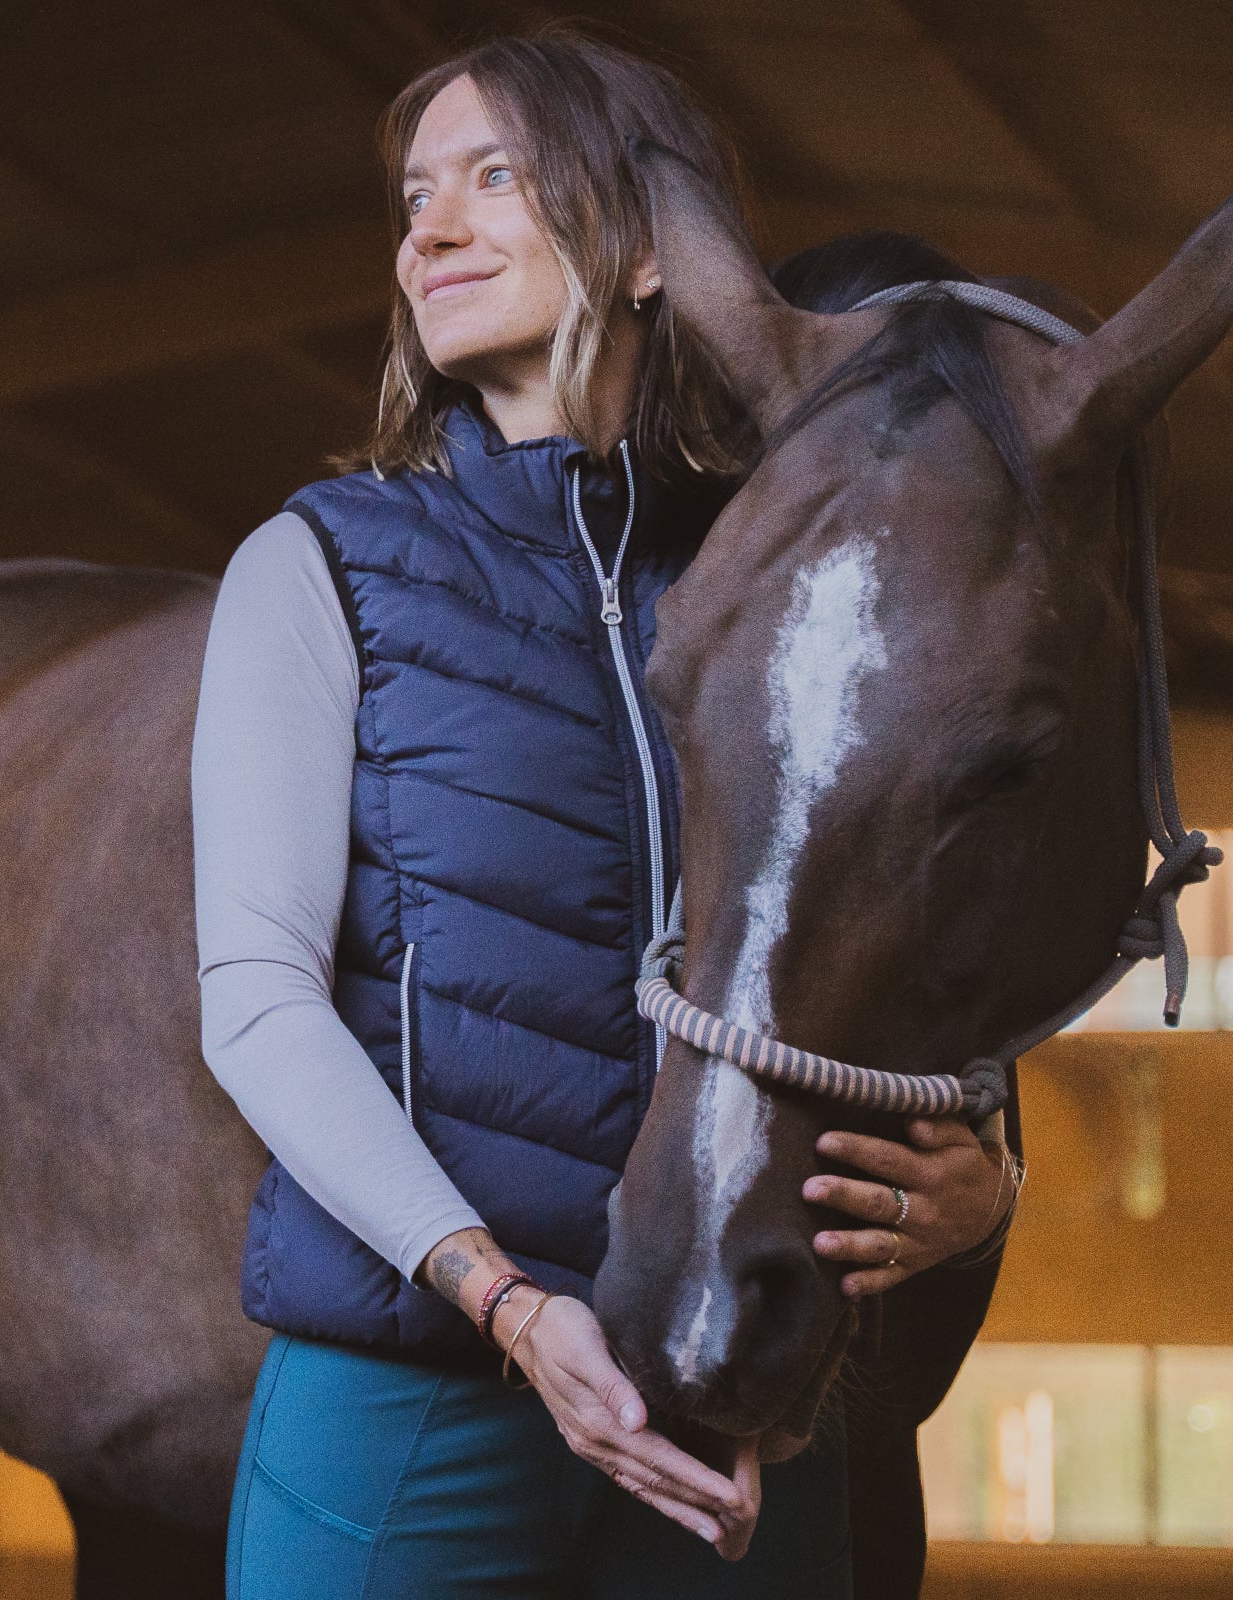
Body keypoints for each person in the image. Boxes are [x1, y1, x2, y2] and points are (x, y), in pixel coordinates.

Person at [191, 27, 1018, 1597]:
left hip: (733, 1416)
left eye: (492, 177)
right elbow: (254, 998)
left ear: (647, 248)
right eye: (415, 192)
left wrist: (984, 1176)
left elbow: (905, 920)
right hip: (417, 1394)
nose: (426, 227)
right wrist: (502, 1301)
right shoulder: (320, 568)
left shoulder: (788, 577)